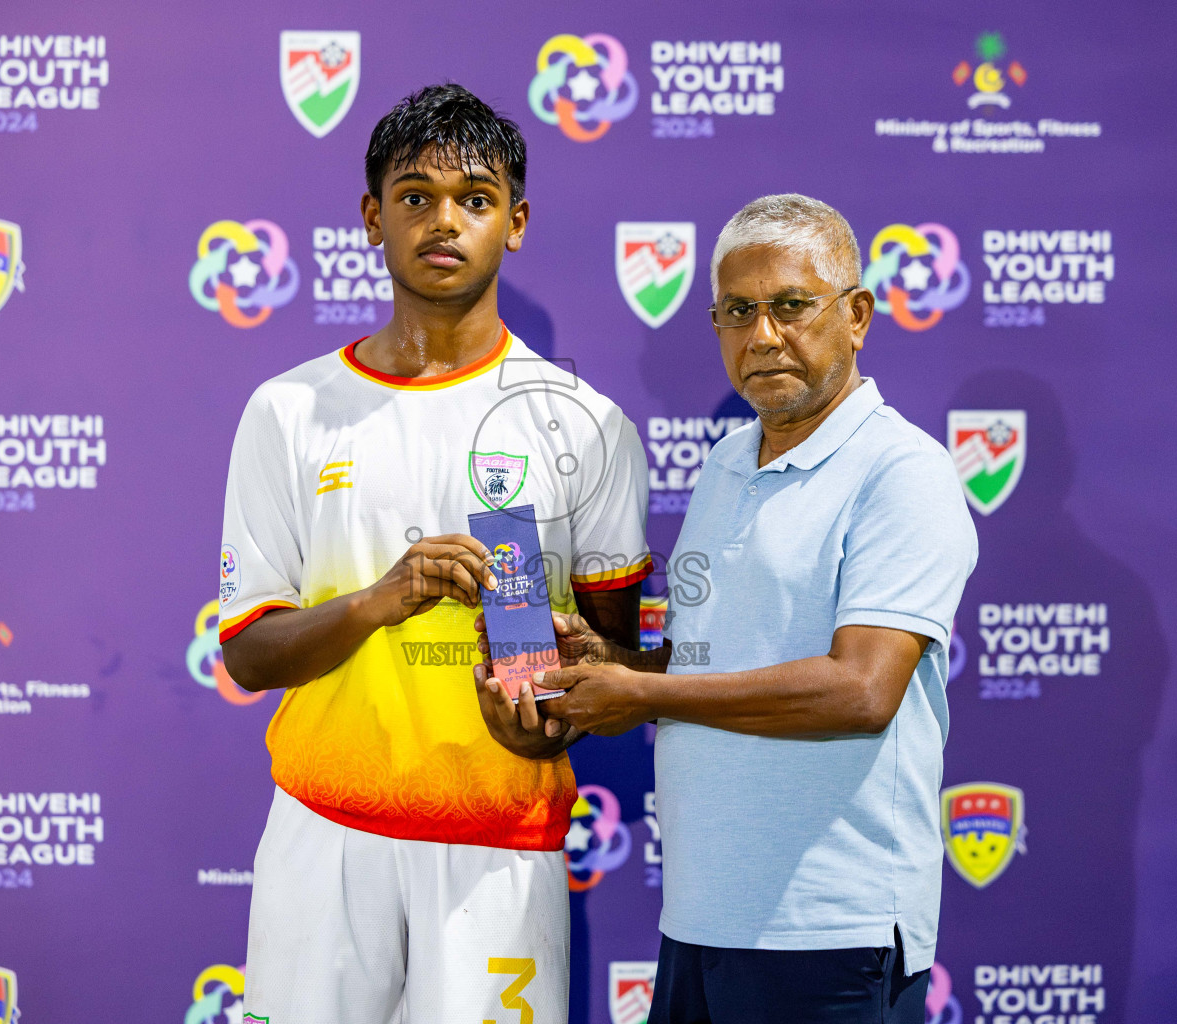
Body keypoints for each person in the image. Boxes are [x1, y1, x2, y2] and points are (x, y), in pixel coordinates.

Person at [217, 84, 651, 1024]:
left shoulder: (587, 425)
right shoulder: (288, 411)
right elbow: (249, 654)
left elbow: (618, 669)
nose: (443, 220)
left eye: (476, 198)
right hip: (322, 842)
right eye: (415, 196)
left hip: (500, 845)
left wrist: (559, 708)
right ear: (372, 218)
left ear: (517, 222)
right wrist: (383, 599)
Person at [501, 194, 978, 1023]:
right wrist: (613, 668)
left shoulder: (904, 472)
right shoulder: (725, 463)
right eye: (736, 312)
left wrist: (645, 696)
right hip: (700, 918)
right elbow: (704, 661)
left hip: (832, 930)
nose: (762, 336)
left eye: (791, 306)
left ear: (856, 315)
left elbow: (861, 691)